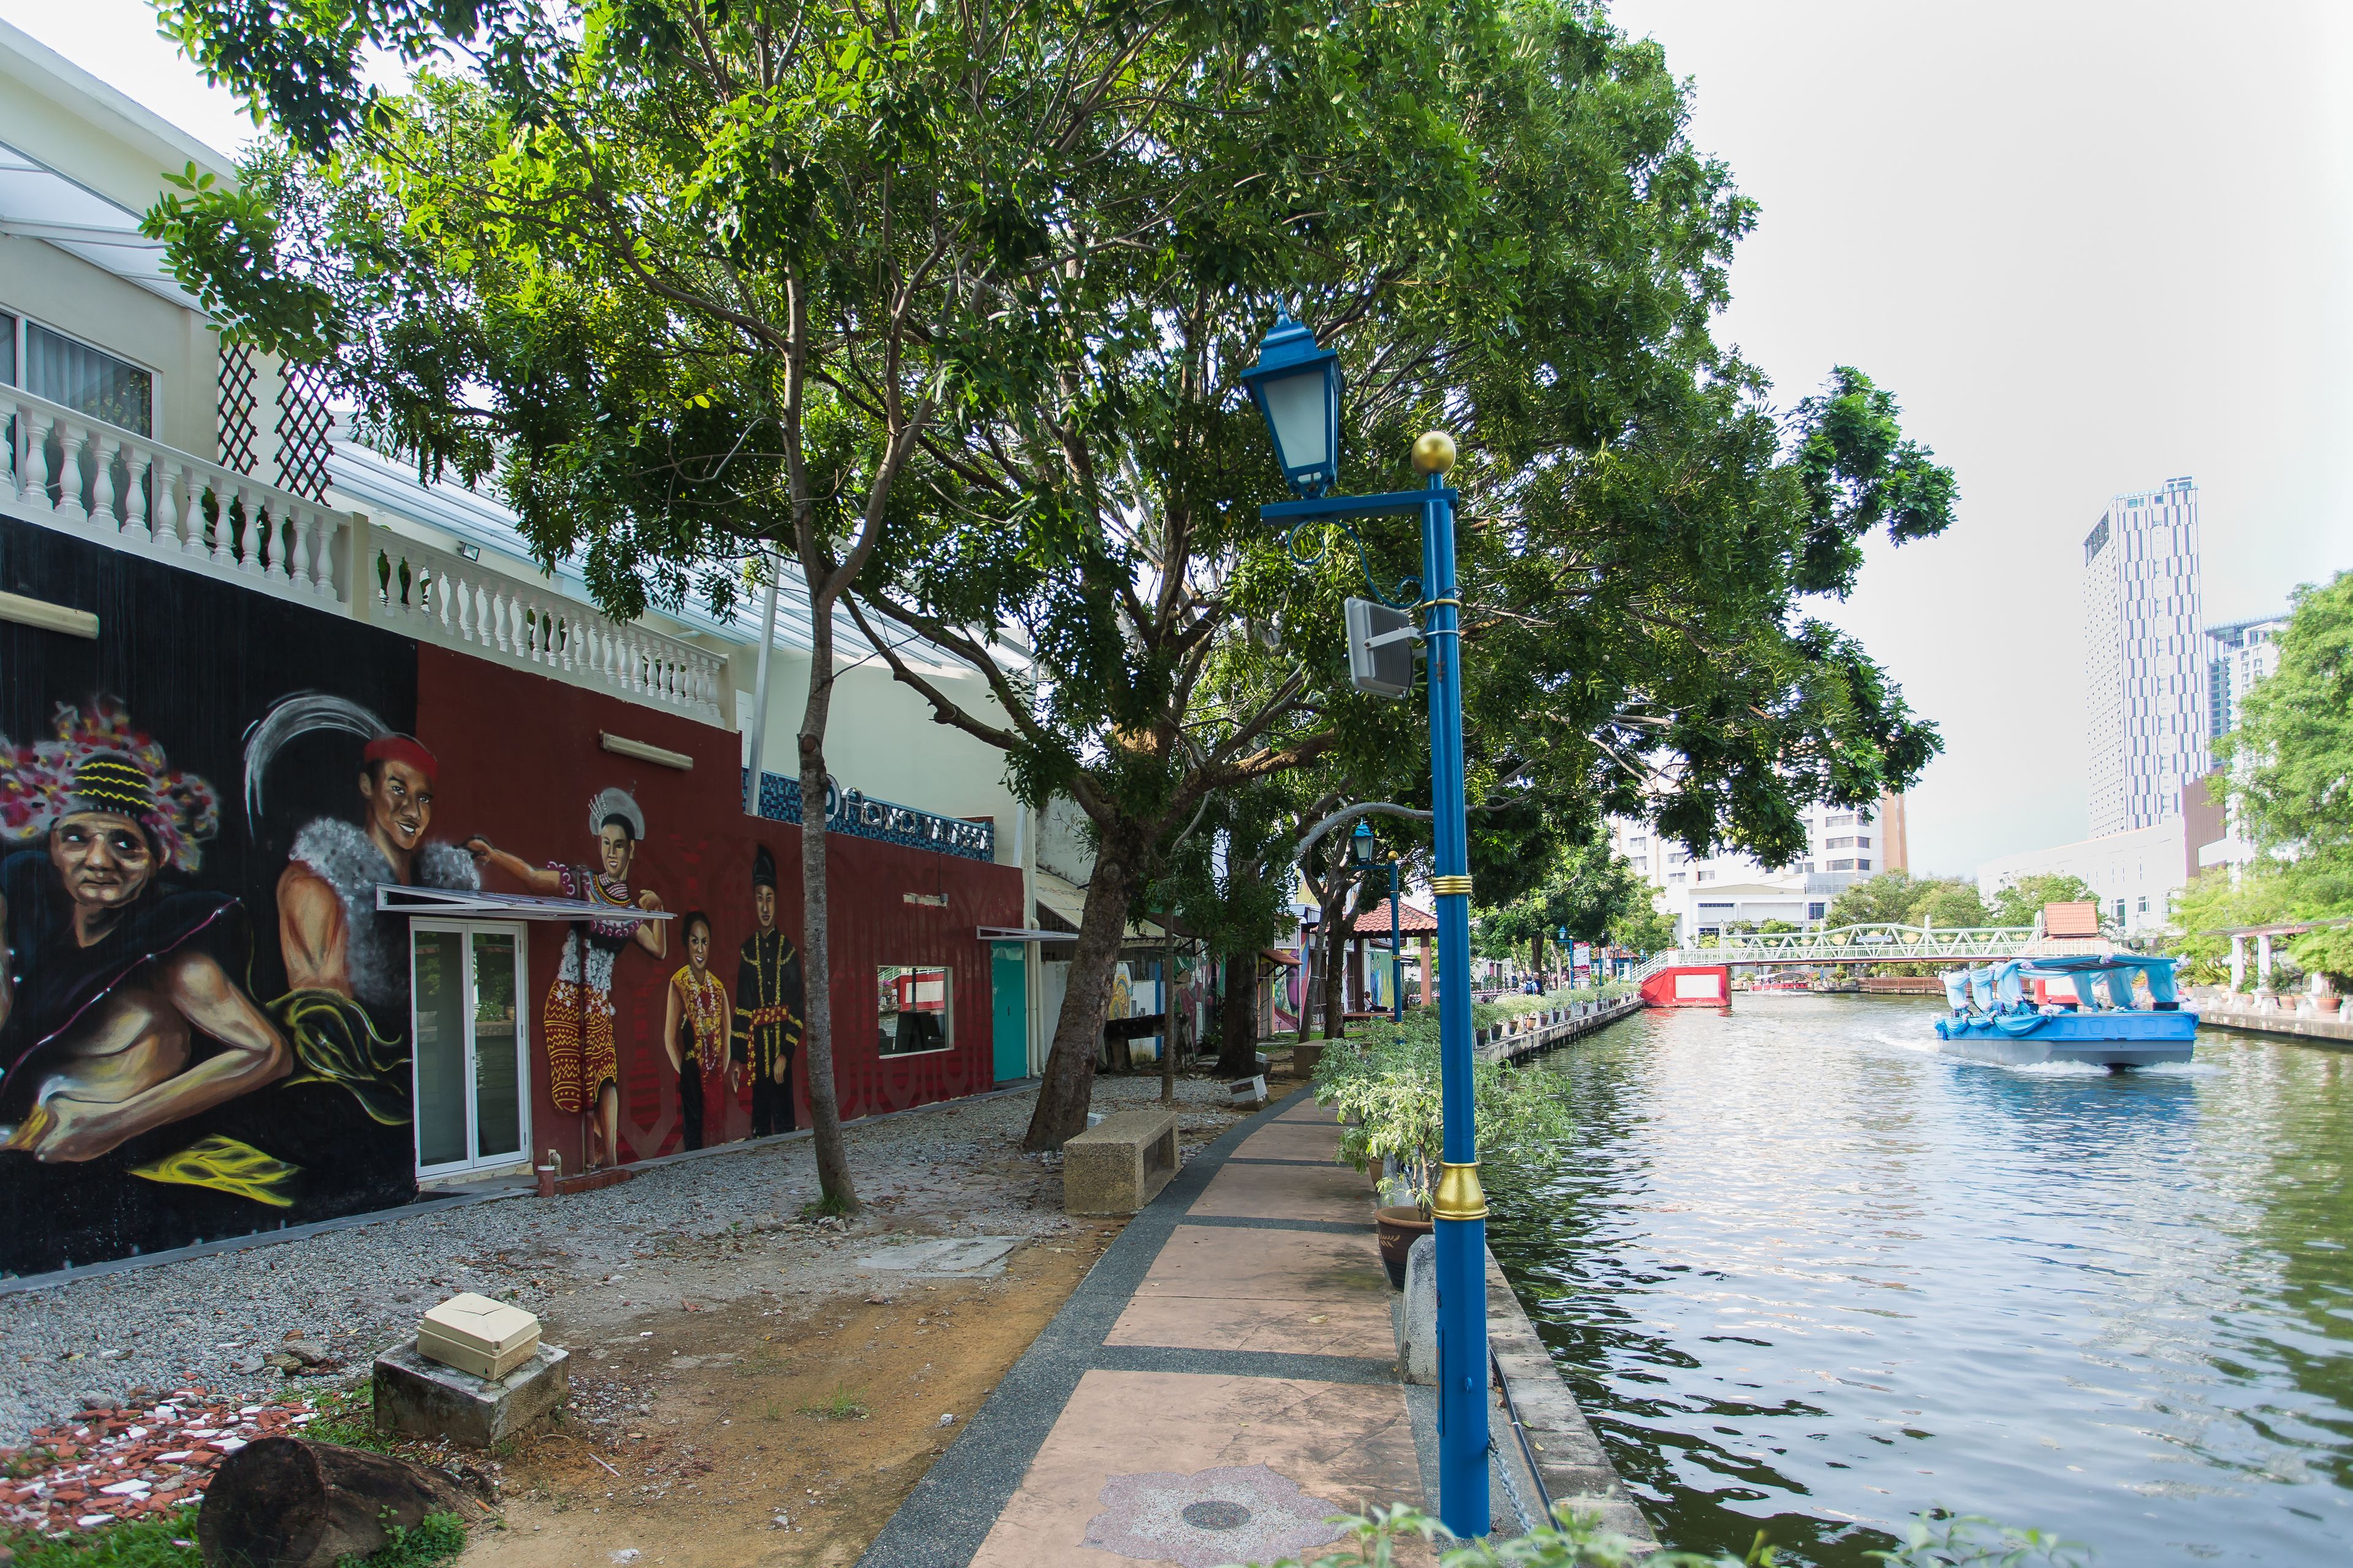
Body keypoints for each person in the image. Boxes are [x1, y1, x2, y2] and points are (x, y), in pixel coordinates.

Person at [0, 750, 290, 1167]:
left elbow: (267, 1053)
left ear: (157, 860)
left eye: (125, 844)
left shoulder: (173, 956)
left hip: (107, 1163)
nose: (99, 861)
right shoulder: (27, 913)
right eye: (78, 838)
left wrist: (111, 1125)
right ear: (54, 848)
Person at [466, 787, 665, 1168]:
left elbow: (657, 949)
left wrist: (658, 909)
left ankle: (608, 1158)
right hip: (566, 999)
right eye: (605, 843)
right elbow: (533, 878)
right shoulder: (582, 885)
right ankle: (596, 1155)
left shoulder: (628, 908)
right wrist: (494, 856)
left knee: (606, 1072)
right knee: (573, 1086)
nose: (611, 852)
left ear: (631, 850)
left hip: (600, 1004)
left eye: (619, 845)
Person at [275, 735, 479, 1018]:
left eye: (424, 798)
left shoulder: (438, 887)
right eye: (397, 789)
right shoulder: (317, 887)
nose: (413, 811)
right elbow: (328, 1023)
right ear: (367, 786)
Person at [732, 845, 802, 1137]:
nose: (764, 907)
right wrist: (738, 1059)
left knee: (784, 1117)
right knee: (760, 1117)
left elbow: (797, 1009)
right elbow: (742, 1009)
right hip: (758, 1048)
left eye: (769, 899)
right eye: (759, 899)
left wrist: (785, 1054)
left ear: (776, 902)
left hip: (780, 1047)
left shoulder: (788, 950)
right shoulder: (748, 951)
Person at [663, 911, 729, 1151]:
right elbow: (669, 1039)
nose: (700, 949)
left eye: (704, 942)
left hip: (715, 1075)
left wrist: (718, 1068)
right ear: (686, 943)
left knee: (715, 1137)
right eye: (694, 941)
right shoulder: (678, 982)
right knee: (695, 1139)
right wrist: (685, 1072)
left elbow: (727, 1036)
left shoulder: (718, 987)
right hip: (692, 1073)